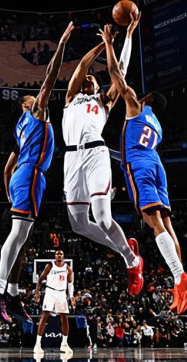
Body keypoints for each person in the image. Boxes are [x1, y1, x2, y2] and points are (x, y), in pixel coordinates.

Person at [101, 23, 187, 314]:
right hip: (155, 165)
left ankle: (180, 278)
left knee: (152, 220)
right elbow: (132, 149)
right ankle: (181, 278)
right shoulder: (157, 126)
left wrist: (110, 43)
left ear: (149, 100)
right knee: (167, 224)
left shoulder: (135, 106)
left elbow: (116, 75)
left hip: (141, 166)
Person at [0, 22, 74, 323]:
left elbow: (7, 167)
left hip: (24, 176)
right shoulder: (34, 113)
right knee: (18, 233)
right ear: (26, 105)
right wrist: (61, 44)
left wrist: (9, 190)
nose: (38, 98)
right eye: (32, 98)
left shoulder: (19, 132)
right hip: (31, 174)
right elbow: (50, 76)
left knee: (23, 236)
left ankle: (11, 292)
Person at [61, 15, 143, 296]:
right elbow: (82, 66)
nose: (89, 78)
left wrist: (122, 39)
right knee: (79, 224)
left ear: (98, 86)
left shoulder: (105, 100)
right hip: (71, 159)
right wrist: (100, 45)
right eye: (87, 78)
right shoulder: (71, 97)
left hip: (96, 153)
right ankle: (124, 249)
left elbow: (120, 70)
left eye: (94, 79)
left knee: (103, 218)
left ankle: (132, 261)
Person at [33, 250, 75, 355]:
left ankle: (64, 344)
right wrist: (37, 292)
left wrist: (71, 296)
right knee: (45, 315)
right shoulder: (50, 266)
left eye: (61, 254)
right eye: (57, 254)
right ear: (55, 256)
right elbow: (40, 279)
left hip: (62, 293)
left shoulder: (68, 268)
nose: (59, 255)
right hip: (50, 292)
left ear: (63, 256)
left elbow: (70, 283)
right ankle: (37, 344)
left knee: (64, 317)